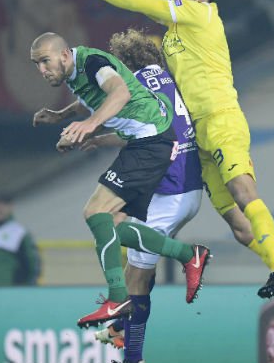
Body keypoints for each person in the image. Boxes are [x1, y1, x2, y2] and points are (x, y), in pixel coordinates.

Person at [57, 0, 274, 341]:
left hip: (222, 120)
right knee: (241, 229)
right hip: (202, 140)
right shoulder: (175, 39)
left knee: (243, 191)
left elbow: (140, 0)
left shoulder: (202, 16)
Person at [30, 32, 210, 332]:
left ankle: (118, 299)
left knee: (95, 212)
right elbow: (89, 97)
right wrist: (61, 115)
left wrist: (89, 125)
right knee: (108, 224)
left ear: (63, 55)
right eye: (36, 64)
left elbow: (119, 93)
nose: (41, 70)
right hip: (149, 143)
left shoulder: (93, 62)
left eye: (45, 61)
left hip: (151, 143)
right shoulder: (76, 71)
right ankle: (187, 255)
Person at [87, 29, 203, 362]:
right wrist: (101, 139)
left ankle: (131, 354)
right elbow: (151, 131)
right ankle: (122, 330)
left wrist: (93, 129)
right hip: (186, 184)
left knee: (132, 272)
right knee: (135, 266)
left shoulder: (133, 87)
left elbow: (141, 132)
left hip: (170, 191)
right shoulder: (166, 79)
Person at [0, 193, 41, 286]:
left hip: (7, 294)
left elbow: (33, 267)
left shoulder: (20, 233)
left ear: (11, 207)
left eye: (3, 204)